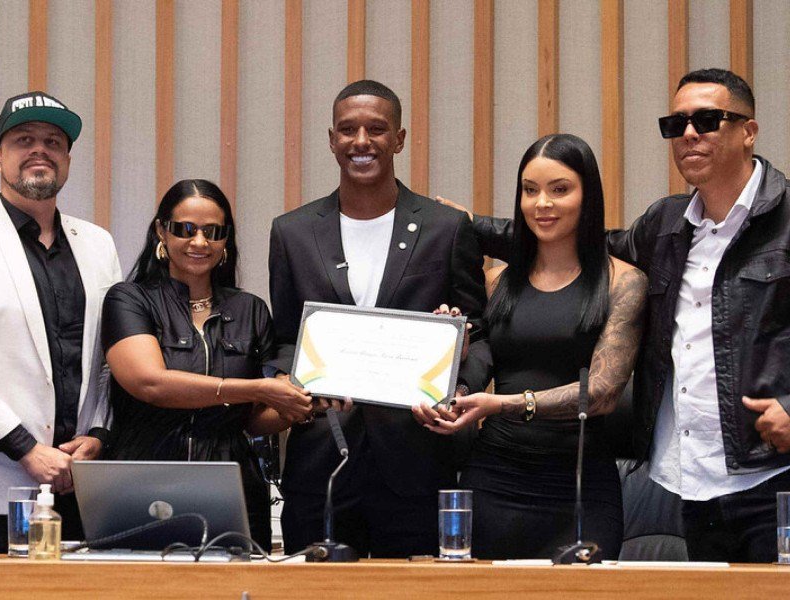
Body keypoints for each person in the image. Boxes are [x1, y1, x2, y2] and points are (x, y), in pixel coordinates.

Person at [442, 68, 790, 562]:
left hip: (773, 473)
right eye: (677, 124)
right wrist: (461, 225)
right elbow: (576, 241)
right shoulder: (666, 225)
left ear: (748, 131)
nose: (689, 134)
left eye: (708, 120)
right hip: (694, 478)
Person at [268, 80, 488, 558]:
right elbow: (284, 339)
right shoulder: (292, 232)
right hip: (322, 459)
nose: (361, 142)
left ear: (400, 139)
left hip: (416, 460)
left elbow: (482, 336)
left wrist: (457, 387)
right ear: (331, 140)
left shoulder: (445, 228)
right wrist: (299, 385)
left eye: (376, 129)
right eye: (348, 130)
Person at [421, 134, 647, 559]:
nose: (542, 203)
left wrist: (503, 404)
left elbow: (600, 394)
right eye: (530, 190)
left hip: (580, 486)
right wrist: (450, 351)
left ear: (588, 195)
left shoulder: (623, 283)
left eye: (559, 189)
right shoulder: (496, 282)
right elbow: (475, 371)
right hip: (493, 479)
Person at [101, 179, 312, 550]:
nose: (199, 242)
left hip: (231, 485)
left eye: (212, 232)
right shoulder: (130, 299)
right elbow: (150, 383)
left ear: (225, 241)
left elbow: (251, 419)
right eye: (185, 229)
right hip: (143, 479)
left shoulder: (250, 310)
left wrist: (297, 406)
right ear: (161, 232)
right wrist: (255, 388)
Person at [0, 91, 122, 552]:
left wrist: (99, 436)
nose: (39, 149)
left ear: (67, 159)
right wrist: (25, 448)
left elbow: (111, 356)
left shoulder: (98, 244)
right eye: (23, 139)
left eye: (53, 141)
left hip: (79, 486)